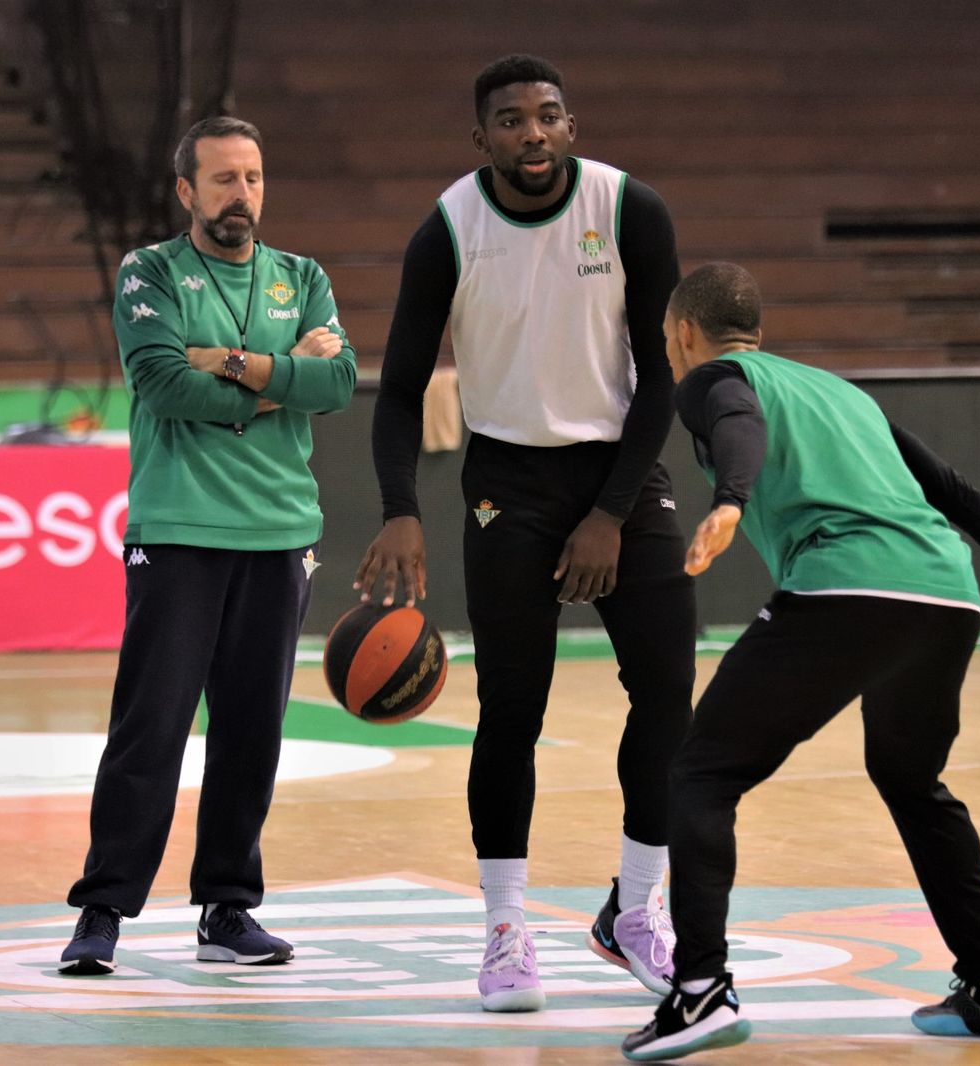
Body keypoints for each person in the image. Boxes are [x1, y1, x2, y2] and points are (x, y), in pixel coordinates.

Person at [621, 263, 980, 1061]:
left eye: (666, 340)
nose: (669, 352)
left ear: (685, 333)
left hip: (845, 587)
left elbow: (735, 420)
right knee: (912, 782)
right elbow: (957, 495)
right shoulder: (844, 394)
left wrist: (729, 500)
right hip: (945, 597)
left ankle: (700, 992)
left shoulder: (713, 378)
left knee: (700, 773)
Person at [353, 54, 695, 1012]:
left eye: (547, 117)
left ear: (571, 128)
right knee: (513, 710)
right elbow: (402, 384)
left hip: (619, 471)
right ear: (482, 140)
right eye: (510, 121)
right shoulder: (449, 230)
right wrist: (401, 507)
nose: (531, 134)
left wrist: (610, 514)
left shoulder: (631, 210)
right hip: (507, 479)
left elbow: (662, 378)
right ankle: (506, 930)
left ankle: (634, 910)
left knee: (669, 693)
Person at [58, 116, 357, 975]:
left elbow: (336, 381)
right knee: (149, 727)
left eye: (254, 177)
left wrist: (227, 366)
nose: (242, 195)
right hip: (179, 529)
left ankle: (228, 910)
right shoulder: (149, 271)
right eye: (223, 179)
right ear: (186, 191)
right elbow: (163, 383)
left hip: (279, 533)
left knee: (252, 732)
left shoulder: (302, 276)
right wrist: (278, 371)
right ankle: (104, 912)